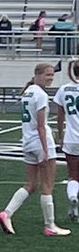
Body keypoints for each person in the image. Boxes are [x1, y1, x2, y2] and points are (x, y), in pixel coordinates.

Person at [0, 62, 70, 236]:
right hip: (39, 143)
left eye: (52, 75)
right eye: (47, 75)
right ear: (37, 74)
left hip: (28, 141)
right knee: (47, 185)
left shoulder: (28, 92)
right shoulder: (40, 94)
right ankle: (50, 225)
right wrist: (46, 149)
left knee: (30, 184)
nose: (50, 78)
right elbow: (40, 126)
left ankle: (6, 213)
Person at [53, 57, 79, 222]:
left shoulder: (63, 89)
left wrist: (60, 135)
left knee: (72, 174)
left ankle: (72, 198)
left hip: (71, 137)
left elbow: (60, 115)